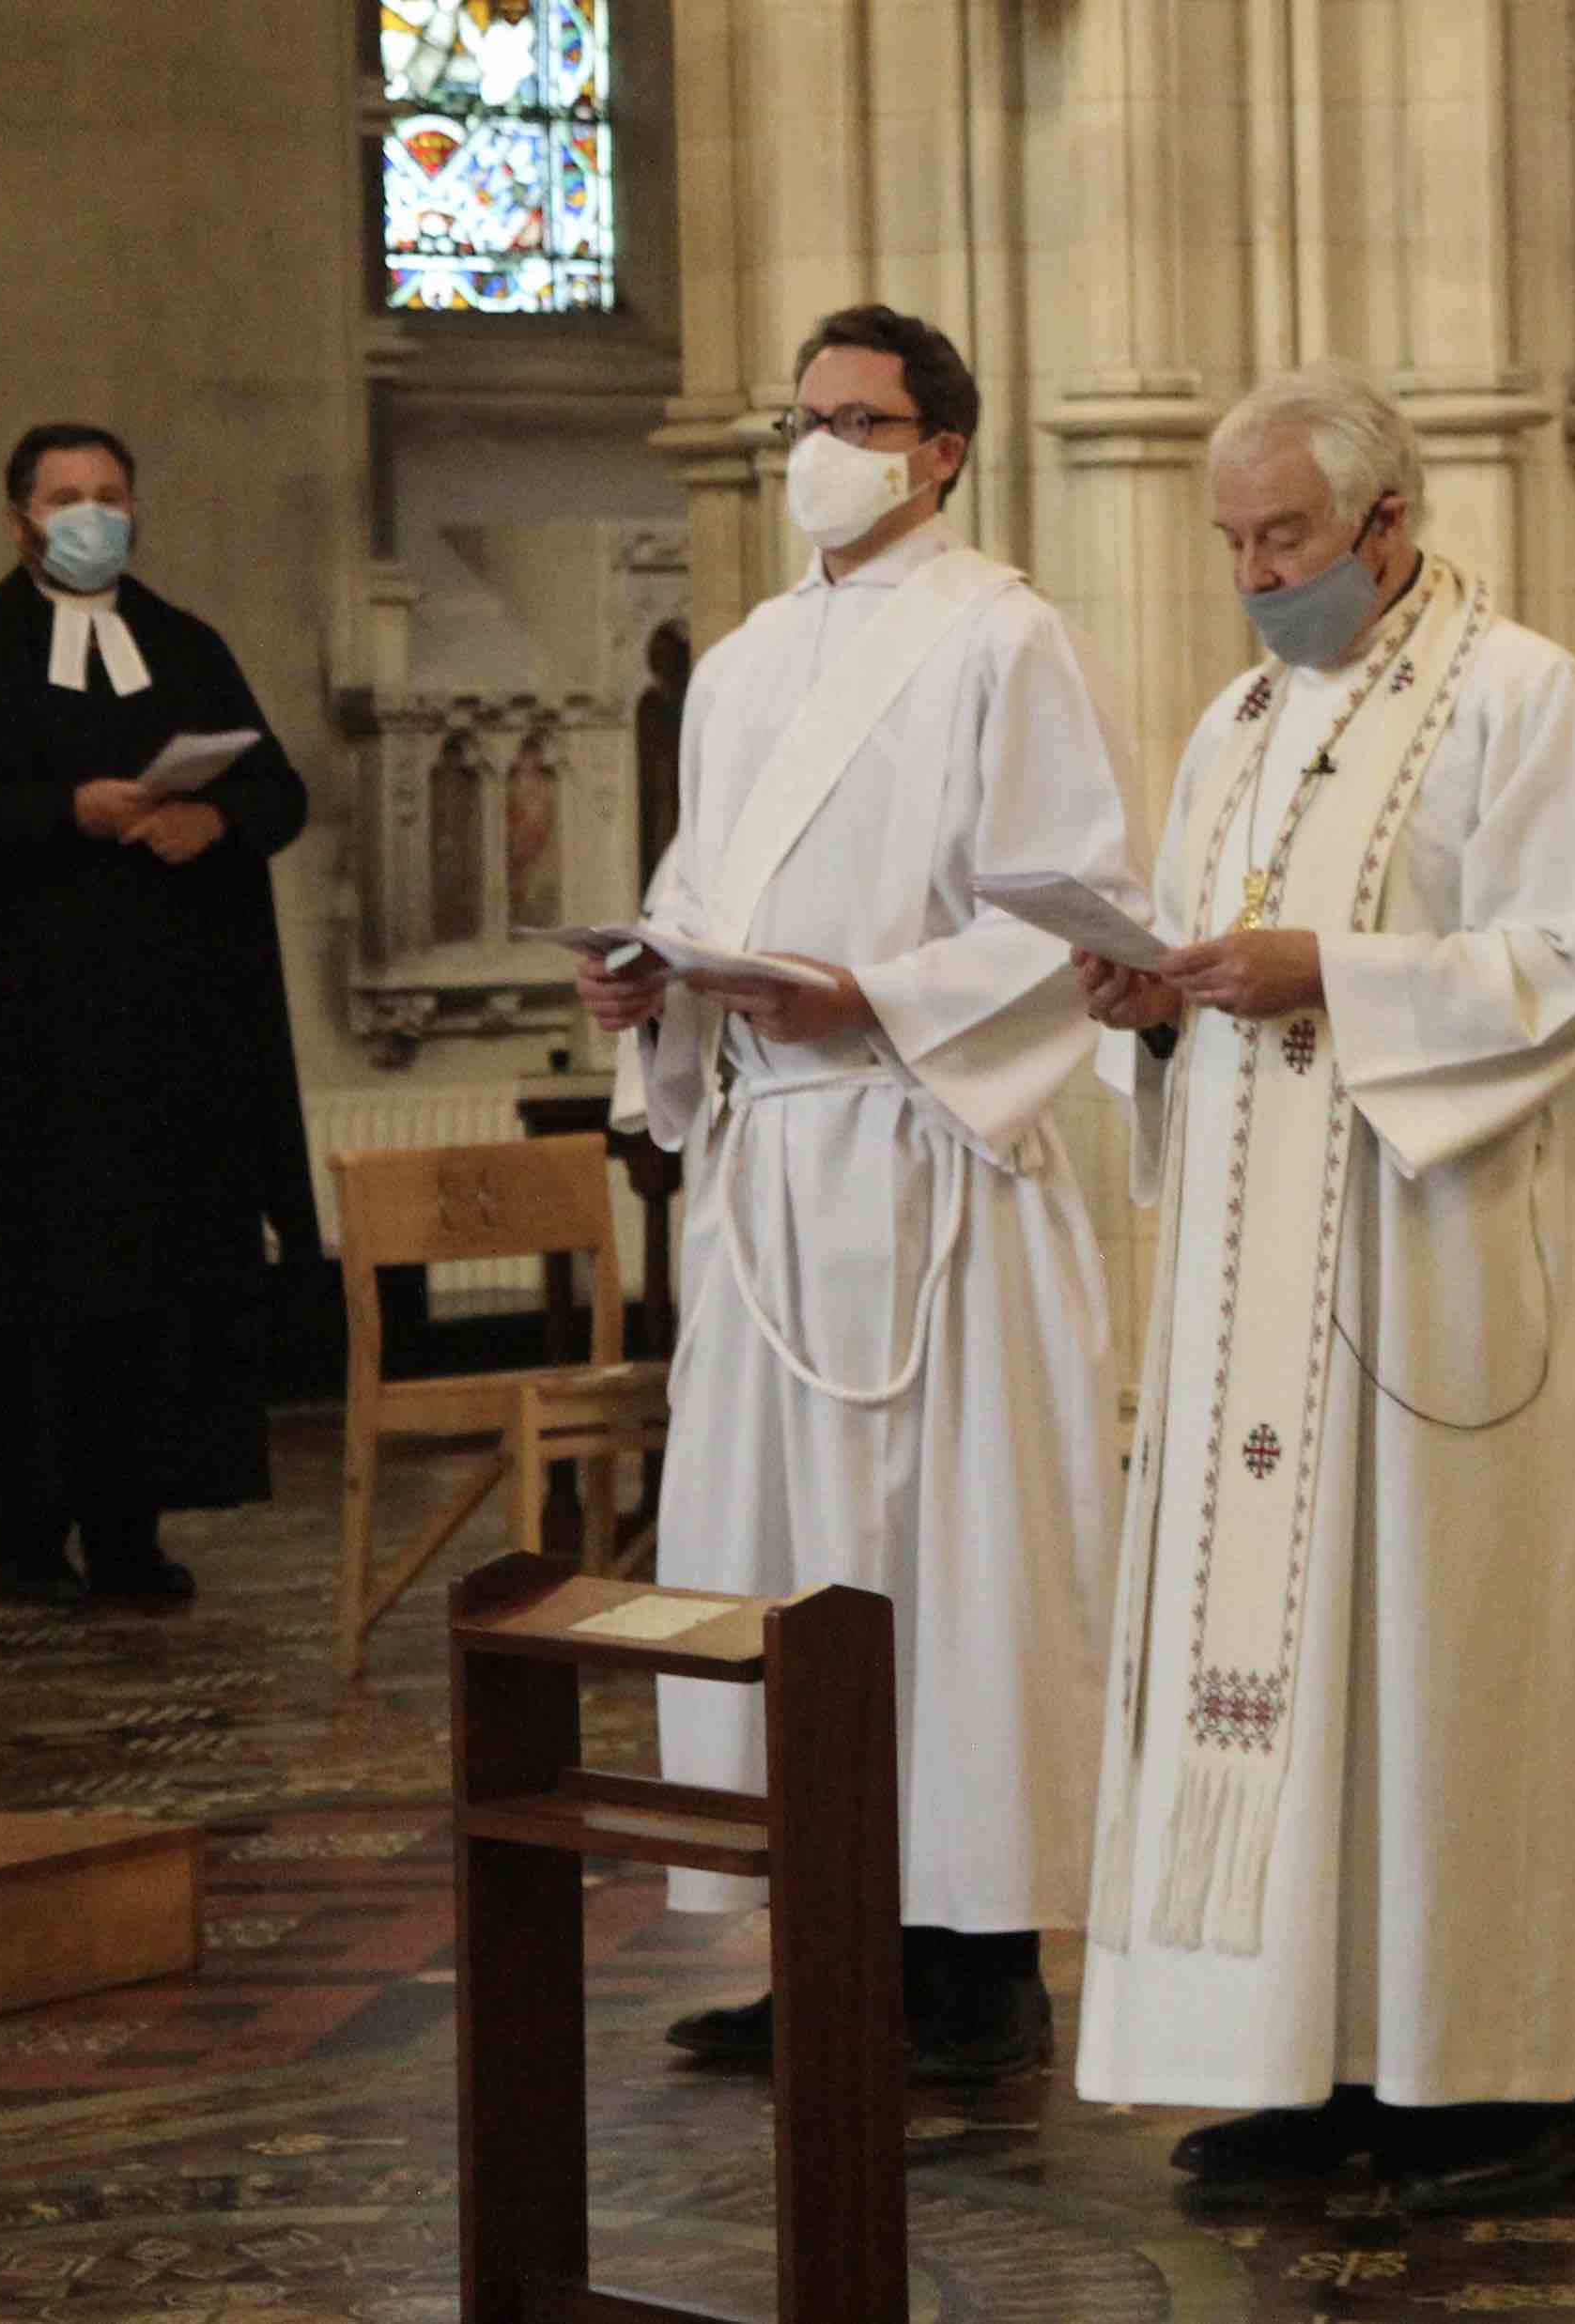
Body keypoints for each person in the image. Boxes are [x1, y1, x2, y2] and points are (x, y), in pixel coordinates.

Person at [1072, 364, 1575, 2214]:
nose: (1249, 571)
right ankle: (1299, 2061)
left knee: (1451, 1668)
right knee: (1284, 1681)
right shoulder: (1234, 720)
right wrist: (1153, 1000)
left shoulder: (1513, 693)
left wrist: (1332, 975)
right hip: (1251, 1298)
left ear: (1384, 519)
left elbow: (1567, 958)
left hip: (1443, 1277)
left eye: (1278, 534)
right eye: (1229, 538)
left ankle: (1500, 2082)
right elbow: (1219, 955)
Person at [579, 303, 1138, 2084]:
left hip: (930, 1157)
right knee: (782, 1560)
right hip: (773, 1166)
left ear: (941, 450)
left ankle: (974, 1962)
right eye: (801, 414)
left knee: (946, 1567)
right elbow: (697, 882)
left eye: (856, 416)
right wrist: (649, 979)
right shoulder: (742, 662)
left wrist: (877, 999)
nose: (817, 444)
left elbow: (1070, 901)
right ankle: (823, 1934)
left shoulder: (1008, 637)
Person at [0, 423, 317, 1610]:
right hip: (23, 1056)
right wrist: (65, 811)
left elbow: (281, 787)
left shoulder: (188, 647)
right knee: (39, 1299)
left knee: (157, 1290)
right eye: (67, 498)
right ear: (19, 521)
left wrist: (217, 822)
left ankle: (133, 1527)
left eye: (110, 495)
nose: (92, 515)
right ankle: (29, 1530)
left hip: (169, 1057)